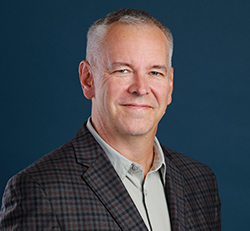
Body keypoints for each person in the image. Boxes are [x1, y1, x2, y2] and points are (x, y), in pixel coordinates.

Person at [0, 9, 221, 230]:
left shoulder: (200, 181)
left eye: (155, 73)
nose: (141, 88)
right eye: (122, 70)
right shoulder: (39, 189)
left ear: (170, 84)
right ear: (88, 79)